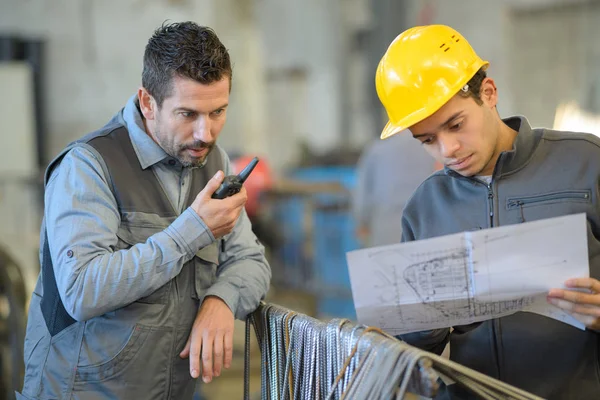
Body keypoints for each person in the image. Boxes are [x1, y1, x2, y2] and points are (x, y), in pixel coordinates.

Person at [17, 21, 271, 400]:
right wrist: (192, 231)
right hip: (83, 391)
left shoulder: (214, 161)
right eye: (188, 114)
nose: (206, 132)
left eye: (218, 111)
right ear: (148, 102)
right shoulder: (88, 166)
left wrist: (222, 300)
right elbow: (82, 290)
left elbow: (250, 259)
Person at [375, 25, 600, 399]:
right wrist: (419, 323)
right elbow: (416, 351)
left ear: (488, 93)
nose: (448, 149)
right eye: (428, 140)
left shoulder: (586, 162)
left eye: (456, 125)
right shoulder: (425, 207)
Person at [352, 132, 437, 247]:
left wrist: (362, 222)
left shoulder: (377, 149)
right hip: (424, 225)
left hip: (386, 227)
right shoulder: (431, 147)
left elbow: (363, 194)